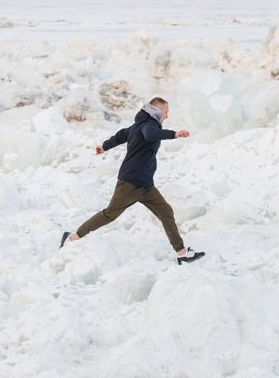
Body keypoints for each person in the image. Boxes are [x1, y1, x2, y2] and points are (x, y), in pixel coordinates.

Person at [60, 97, 205, 265]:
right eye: (166, 112)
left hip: (145, 185)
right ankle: (71, 238)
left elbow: (121, 135)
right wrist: (174, 134)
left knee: (166, 212)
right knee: (109, 214)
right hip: (130, 183)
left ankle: (181, 253)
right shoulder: (147, 126)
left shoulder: (138, 126)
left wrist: (105, 146)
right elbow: (150, 135)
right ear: (156, 112)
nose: (167, 116)